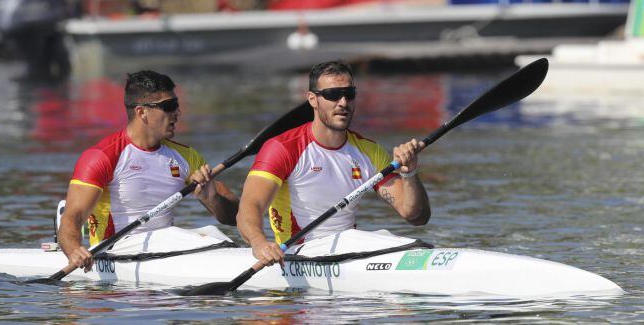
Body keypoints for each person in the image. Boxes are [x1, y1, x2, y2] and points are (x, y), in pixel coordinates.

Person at [237, 60, 431, 267]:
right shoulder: (282, 148)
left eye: (349, 93)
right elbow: (250, 206)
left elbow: (415, 216)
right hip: (299, 251)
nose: (343, 102)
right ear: (312, 99)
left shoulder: (369, 151)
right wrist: (259, 244)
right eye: (332, 95)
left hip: (349, 249)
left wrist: (410, 173)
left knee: (392, 238)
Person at [58, 70, 239, 272]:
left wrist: (211, 199)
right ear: (142, 112)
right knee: (197, 237)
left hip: (166, 246)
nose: (177, 113)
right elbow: (72, 217)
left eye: (176, 105)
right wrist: (74, 250)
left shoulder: (187, 157)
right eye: (169, 107)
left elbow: (234, 217)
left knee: (213, 233)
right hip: (114, 249)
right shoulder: (102, 156)